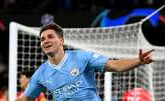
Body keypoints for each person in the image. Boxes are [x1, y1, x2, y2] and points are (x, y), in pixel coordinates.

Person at [15, 23, 155, 101]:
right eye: (42, 39)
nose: (45, 41)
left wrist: (139, 60)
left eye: (50, 37)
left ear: (61, 40)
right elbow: (26, 98)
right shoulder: (41, 74)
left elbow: (113, 65)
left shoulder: (82, 57)